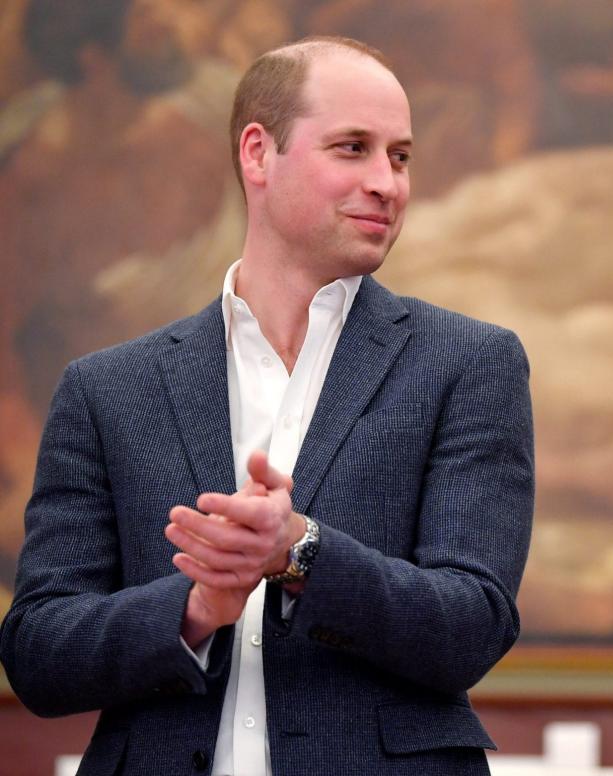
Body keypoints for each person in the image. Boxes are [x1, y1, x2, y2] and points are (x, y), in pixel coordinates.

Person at [0, 35, 533, 776]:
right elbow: (38, 654)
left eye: (401, 156)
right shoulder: (107, 388)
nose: (387, 182)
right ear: (258, 153)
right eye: (353, 148)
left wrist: (301, 551)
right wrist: (193, 610)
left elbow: (473, 626)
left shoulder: (469, 364)